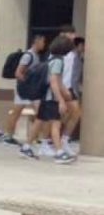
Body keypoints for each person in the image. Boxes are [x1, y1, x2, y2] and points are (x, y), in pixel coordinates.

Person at [18, 34, 76, 164]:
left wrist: (65, 92)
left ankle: (26, 147)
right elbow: (54, 81)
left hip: (45, 97)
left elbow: (57, 80)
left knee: (39, 121)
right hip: (51, 98)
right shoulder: (58, 61)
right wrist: (61, 99)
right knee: (56, 124)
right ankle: (59, 152)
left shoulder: (53, 59)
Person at [1, 33, 46, 145]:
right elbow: (18, 73)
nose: (44, 44)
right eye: (43, 41)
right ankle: (8, 135)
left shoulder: (36, 56)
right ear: (37, 41)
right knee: (17, 112)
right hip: (24, 90)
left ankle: (36, 137)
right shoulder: (28, 56)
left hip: (32, 90)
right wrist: (28, 84)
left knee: (39, 112)